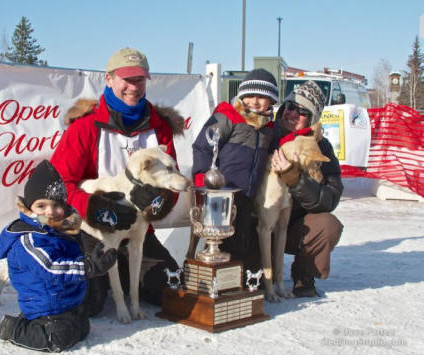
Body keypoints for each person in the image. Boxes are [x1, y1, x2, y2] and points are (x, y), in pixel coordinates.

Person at [50, 47, 184, 313]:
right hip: (95, 230)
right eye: (126, 79)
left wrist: (159, 202)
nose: (133, 87)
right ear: (109, 79)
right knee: (88, 302)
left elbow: (171, 178)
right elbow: (56, 185)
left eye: (139, 80)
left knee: (171, 289)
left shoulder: (160, 128)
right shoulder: (85, 128)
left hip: (137, 230)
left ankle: (125, 272)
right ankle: (103, 275)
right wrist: (93, 207)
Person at [0, 160, 117, 352]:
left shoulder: (65, 230)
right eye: (41, 206)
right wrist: (88, 267)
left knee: (82, 328)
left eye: (56, 205)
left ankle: (63, 321)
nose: (50, 212)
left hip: (66, 302)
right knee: (58, 339)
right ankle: (14, 328)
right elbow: (50, 268)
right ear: (29, 207)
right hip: (44, 306)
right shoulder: (29, 238)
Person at [192, 68, 279, 272]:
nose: (254, 101)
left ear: (271, 101)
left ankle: (234, 283)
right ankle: (213, 281)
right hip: (222, 196)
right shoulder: (228, 117)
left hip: (247, 196)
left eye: (261, 97)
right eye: (249, 95)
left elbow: (278, 148)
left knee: (241, 241)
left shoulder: (268, 128)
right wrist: (203, 184)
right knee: (219, 242)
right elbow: (202, 146)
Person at [271, 80, 344, 297]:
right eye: (290, 106)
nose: (292, 113)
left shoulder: (322, 148)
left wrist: (296, 180)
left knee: (327, 225)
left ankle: (304, 274)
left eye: (302, 111)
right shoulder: (265, 135)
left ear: (312, 118)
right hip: (261, 224)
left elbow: (329, 199)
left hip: (295, 225)